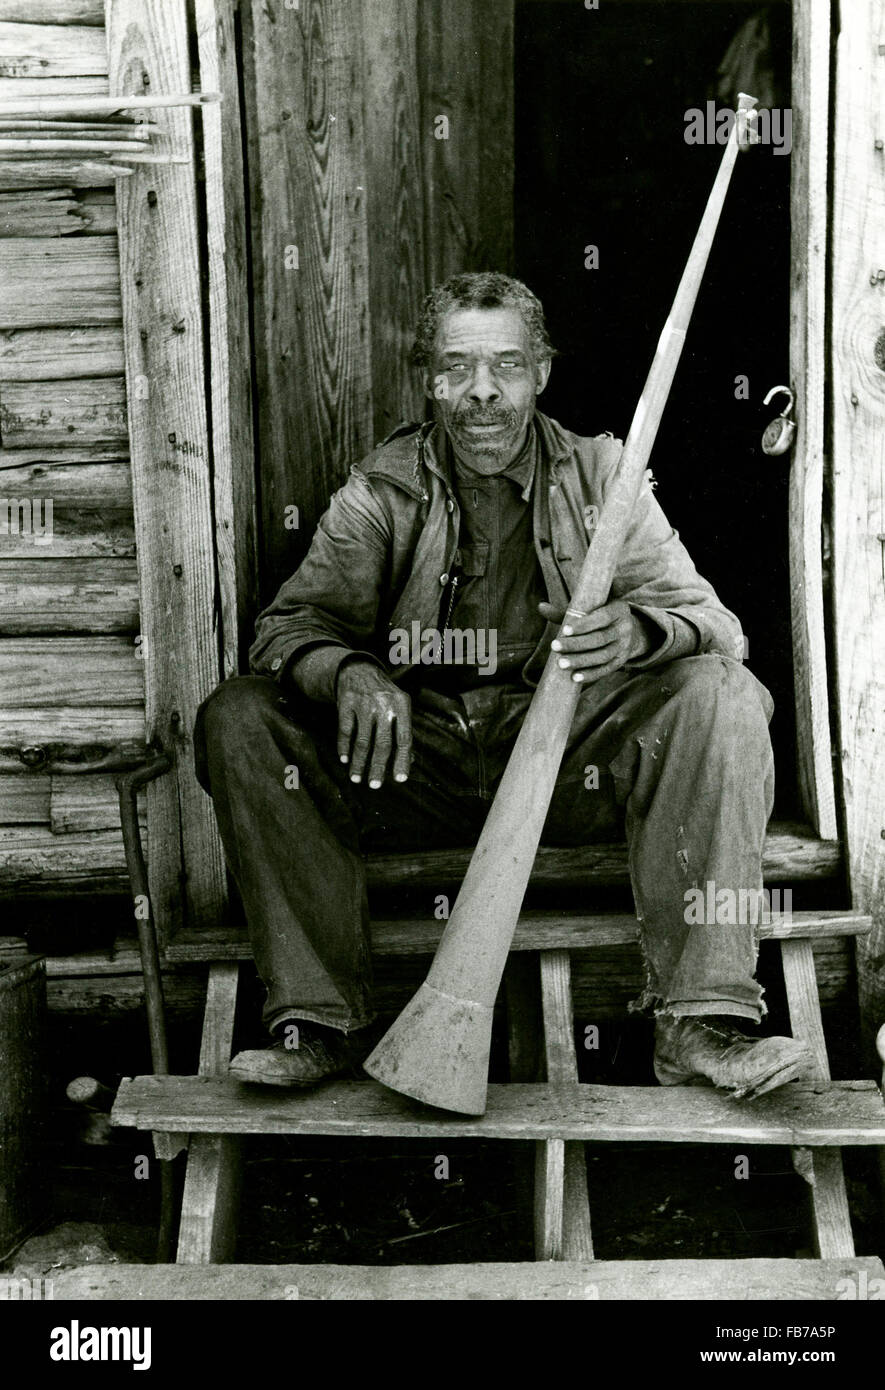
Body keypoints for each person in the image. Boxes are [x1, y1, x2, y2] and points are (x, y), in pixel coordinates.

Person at [194, 271, 811, 1100]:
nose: (481, 393)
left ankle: (700, 1021)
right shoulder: (380, 490)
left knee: (722, 694)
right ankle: (321, 1019)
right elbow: (283, 631)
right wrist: (348, 671)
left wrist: (641, 631)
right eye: (456, 368)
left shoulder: (604, 477)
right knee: (238, 716)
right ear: (427, 377)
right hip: (418, 763)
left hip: (565, 761)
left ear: (541, 373)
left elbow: (718, 625)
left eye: (506, 367)